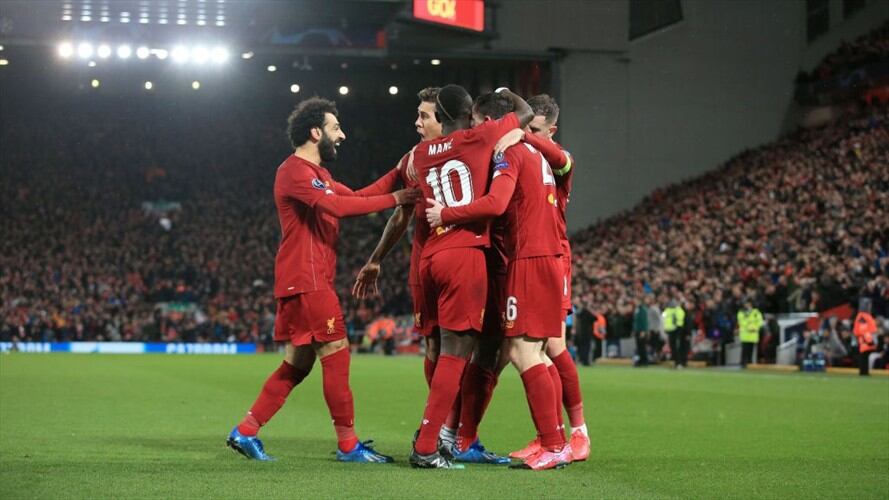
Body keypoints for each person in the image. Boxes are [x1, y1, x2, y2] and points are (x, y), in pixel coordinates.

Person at [226, 97, 420, 462]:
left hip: (305, 279)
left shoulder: (320, 176)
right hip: (307, 279)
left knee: (296, 366)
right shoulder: (294, 171)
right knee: (336, 353)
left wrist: (398, 172)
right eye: (336, 128)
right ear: (316, 132)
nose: (342, 135)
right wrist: (396, 197)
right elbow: (338, 207)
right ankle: (348, 445)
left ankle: (246, 431)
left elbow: (359, 196)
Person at [426, 90, 571, 470]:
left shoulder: (509, 152)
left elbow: (496, 204)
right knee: (535, 351)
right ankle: (552, 439)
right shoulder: (540, 153)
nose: (473, 130)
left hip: (527, 259)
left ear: (488, 122)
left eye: (476, 123)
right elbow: (566, 163)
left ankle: (555, 443)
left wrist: (446, 214)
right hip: (546, 256)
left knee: (523, 352)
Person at [408, 84, 534, 469]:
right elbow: (525, 112)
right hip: (464, 254)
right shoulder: (479, 137)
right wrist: (505, 92)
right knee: (455, 355)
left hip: (431, 256)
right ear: (467, 115)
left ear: (440, 117)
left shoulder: (421, 153)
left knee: (442, 350)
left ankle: (437, 437)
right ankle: (427, 445)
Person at [485, 94, 591, 462]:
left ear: (551, 130)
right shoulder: (527, 156)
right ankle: (551, 434)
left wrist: (522, 135)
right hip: (533, 253)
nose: (526, 133)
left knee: (552, 347)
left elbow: (564, 161)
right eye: (525, 126)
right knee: (533, 350)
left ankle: (577, 433)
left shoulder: (555, 157)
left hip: (552, 255)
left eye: (536, 129)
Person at [737, 299, 764, 368]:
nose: (747, 305)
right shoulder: (741, 312)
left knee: (751, 351)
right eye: (746, 303)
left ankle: (750, 363)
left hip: (753, 335)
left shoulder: (756, 312)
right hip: (745, 335)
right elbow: (741, 321)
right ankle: (743, 363)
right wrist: (749, 327)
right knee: (744, 350)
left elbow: (760, 321)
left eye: (748, 303)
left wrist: (755, 327)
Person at [663, 298, 687, 369]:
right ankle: (677, 362)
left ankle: (679, 362)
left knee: (676, 347)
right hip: (671, 331)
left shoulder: (675, 310)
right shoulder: (670, 310)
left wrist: (678, 329)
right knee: (673, 347)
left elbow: (679, 320)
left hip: (676, 331)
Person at [853, 308, 878, 376]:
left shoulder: (859, 317)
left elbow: (856, 330)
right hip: (866, 339)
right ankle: (864, 372)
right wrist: (871, 342)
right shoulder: (867, 317)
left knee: (863, 356)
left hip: (862, 340)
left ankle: (863, 371)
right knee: (864, 356)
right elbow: (872, 329)